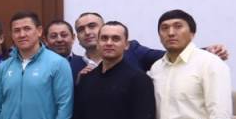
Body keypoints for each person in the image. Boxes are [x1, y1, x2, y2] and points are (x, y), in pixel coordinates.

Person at [74, 11, 228, 72]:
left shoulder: (133, 50)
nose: (87, 32)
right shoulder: (73, 65)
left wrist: (207, 51)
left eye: (92, 26)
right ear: (77, 37)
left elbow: (169, 55)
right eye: (81, 29)